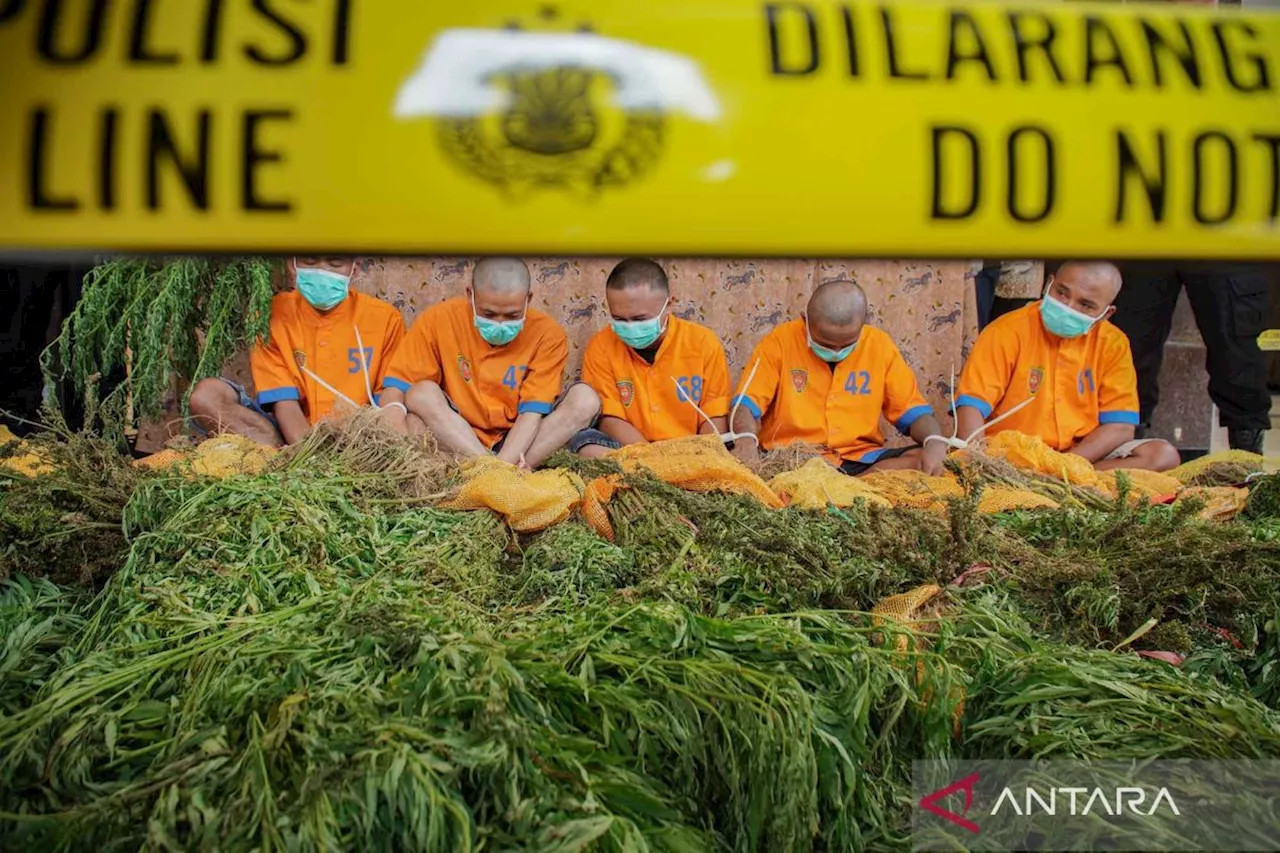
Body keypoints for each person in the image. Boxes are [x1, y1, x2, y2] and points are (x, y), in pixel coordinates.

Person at [378, 257, 604, 469]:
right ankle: (493, 472)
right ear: (470, 295)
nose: (500, 324)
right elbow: (398, 386)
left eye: (513, 315)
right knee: (420, 394)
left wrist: (503, 462)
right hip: (457, 434)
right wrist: (394, 422)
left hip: (524, 439)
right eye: (489, 313)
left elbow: (531, 413)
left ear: (529, 300)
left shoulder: (548, 333)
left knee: (584, 399)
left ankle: (492, 473)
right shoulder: (438, 319)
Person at [955, 260, 1181, 472]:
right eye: (1062, 293)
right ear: (1048, 283)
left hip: (1082, 457)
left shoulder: (1114, 344)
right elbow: (971, 406)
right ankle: (1044, 484)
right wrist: (981, 464)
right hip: (1012, 457)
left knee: (1162, 456)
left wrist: (1063, 467)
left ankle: (1055, 484)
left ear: (1106, 314)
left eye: (1085, 305)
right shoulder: (1006, 330)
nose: (1068, 307)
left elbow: (1119, 427)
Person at [729, 280, 950, 475]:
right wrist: (746, 442)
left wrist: (934, 441)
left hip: (860, 460)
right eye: (825, 343)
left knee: (923, 459)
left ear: (864, 324)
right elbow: (746, 405)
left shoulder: (880, 345)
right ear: (805, 319)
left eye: (847, 344)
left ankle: (854, 488)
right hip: (792, 460)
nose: (836, 350)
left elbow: (913, 412)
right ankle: (853, 489)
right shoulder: (779, 341)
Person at [190, 257, 405, 447]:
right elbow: (284, 402)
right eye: (310, 261)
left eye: (335, 263)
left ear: (355, 268)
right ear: (292, 265)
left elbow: (387, 400)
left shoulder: (385, 319)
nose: (322, 271)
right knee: (206, 395)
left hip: (358, 437)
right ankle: (276, 456)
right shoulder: (269, 315)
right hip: (285, 432)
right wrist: (307, 455)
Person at [1111, 262, 1271, 455]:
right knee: (1129, 345)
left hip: (1223, 240)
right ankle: (1123, 456)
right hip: (1147, 239)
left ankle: (1247, 462)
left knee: (1237, 351)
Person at [581, 258, 731, 445]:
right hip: (628, 449)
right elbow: (610, 419)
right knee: (585, 444)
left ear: (669, 305)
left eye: (640, 319)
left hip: (691, 449)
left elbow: (714, 415)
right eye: (619, 319)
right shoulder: (601, 346)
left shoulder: (703, 343)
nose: (630, 328)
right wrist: (652, 459)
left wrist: (702, 454)